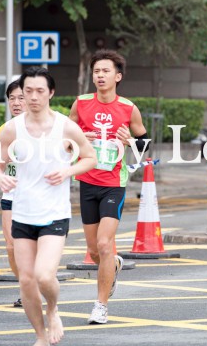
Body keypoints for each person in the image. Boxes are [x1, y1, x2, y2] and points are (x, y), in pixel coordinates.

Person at [0, 67, 96, 346]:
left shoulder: (66, 127)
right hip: (23, 212)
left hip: (53, 213)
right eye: (28, 91)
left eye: (39, 91)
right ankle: (39, 335)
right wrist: (0, 176)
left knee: (44, 275)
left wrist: (67, 171)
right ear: (22, 94)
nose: (33, 97)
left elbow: (90, 158)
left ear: (50, 93)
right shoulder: (12, 130)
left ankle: (53, 309)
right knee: (26, 281)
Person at [69, 49, 149, 324]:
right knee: (94, 251)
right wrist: (82, 138)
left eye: (105, 71)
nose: (100, 76)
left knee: (105, 244)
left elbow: (144, 144)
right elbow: (65, 140)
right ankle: (113, 266)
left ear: (118, 76)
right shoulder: (80, 104)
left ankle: (100, 305)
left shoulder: (128, 108)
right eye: (96, 71)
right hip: (87, 182)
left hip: (114, 183)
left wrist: (130, 141)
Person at [0, 79, 26, 308]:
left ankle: (38, 282)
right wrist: (1, 173)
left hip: (37, 196)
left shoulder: (45, 128)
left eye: (20, 97)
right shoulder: (4, 130)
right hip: (11, 195)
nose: (16, 102)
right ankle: (25, 288)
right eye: (11, 98)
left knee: (34, 247)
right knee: (11, 246)